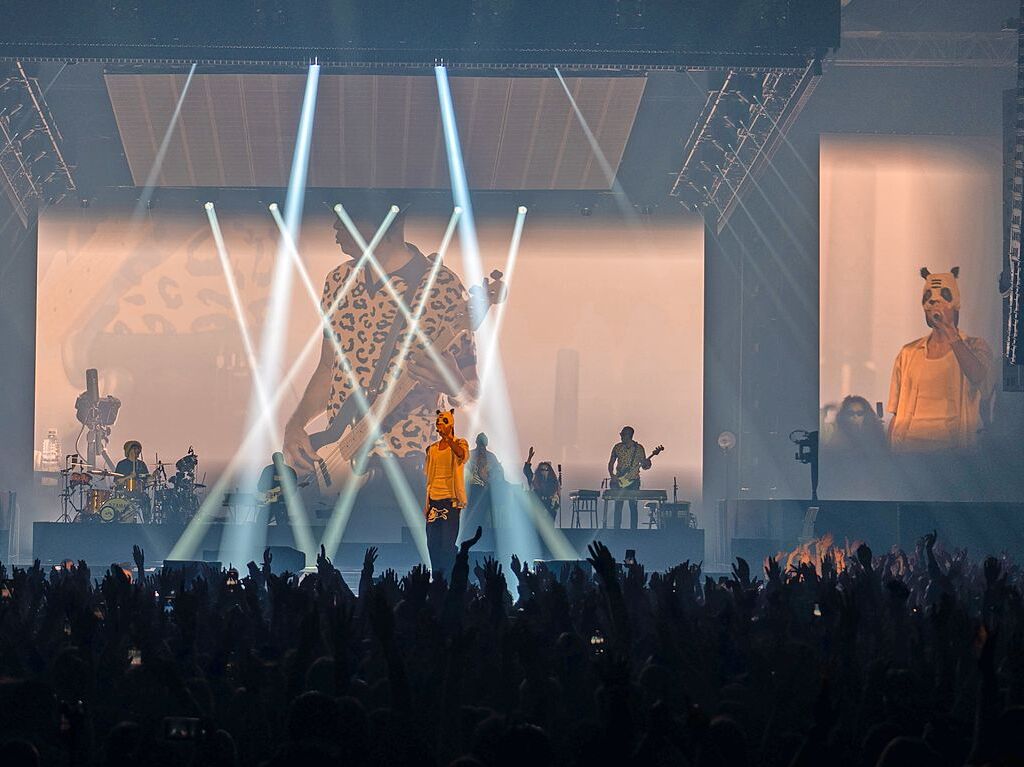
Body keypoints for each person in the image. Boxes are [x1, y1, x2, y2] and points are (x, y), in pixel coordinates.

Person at [283, 197, 481, 502]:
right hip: (338, 465)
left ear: (393, 223)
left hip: (408, 468)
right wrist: (296, 425)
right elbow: (328, 369)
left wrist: (454, 385)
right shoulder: (338, 282)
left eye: (348, 216)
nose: (336, 226)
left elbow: (472, 392)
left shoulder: (442, 287)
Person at [887, 267, 994, 453]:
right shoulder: (908, 353)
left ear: (955, 304)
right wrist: (890, 456)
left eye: (943, 297)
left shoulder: (975, 347)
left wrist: (951, 333)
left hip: (953, 453)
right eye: (928, 298)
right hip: (910, 452)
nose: (934, 303)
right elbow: (896, 414)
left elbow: (978, 377)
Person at [424, 409, 469, 575]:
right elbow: (429, 476)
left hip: (450, 500)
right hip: (434, 500)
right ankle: (436, 575)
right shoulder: (432, 449)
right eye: (438, 422)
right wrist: (427, 503)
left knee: (447, 544)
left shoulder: (460, 443)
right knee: (432, 542)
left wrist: (449, 438)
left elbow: (461, 455)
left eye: (443, 422)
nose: (439, 425)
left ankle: (448, 577)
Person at [607, 426, 652, 530]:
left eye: (623, 434)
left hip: (634, 481)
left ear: (629, 435)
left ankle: (633, 531)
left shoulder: (639, 448)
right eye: (621, 434)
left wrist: (647, 464)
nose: (621, 436)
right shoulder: (617, 447)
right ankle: (616, 530)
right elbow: (611, 462)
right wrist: (612, 475)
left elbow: (644, 466)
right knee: (618, 506)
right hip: (619, 481)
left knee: (633, 506)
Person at [466, 432, 504, 529]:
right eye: (480, 442)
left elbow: (498, 473)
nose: (481, 445)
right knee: (472, 516)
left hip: (486, 489)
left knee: (484, 517)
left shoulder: (491, 457)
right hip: (473, 490)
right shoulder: (470, 455)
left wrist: (489, 479)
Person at [257, 452, 298, 527]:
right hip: (270, 500)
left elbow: (293, 487)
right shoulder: (268, 470)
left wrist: (285, 494)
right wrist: (268, 493)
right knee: (261, 521)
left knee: (282, 521)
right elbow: (260, 486)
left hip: (282, 501)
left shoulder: (289, 471)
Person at [523, 447, 560, 522]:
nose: (543, 472)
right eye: (541, 469)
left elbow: (556, 499)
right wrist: (529, 458)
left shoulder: (553, 482)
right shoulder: (534, 479)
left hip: (549, 511)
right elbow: (527, 471)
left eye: (545, 470)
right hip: (537, 510)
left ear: (549, 471)